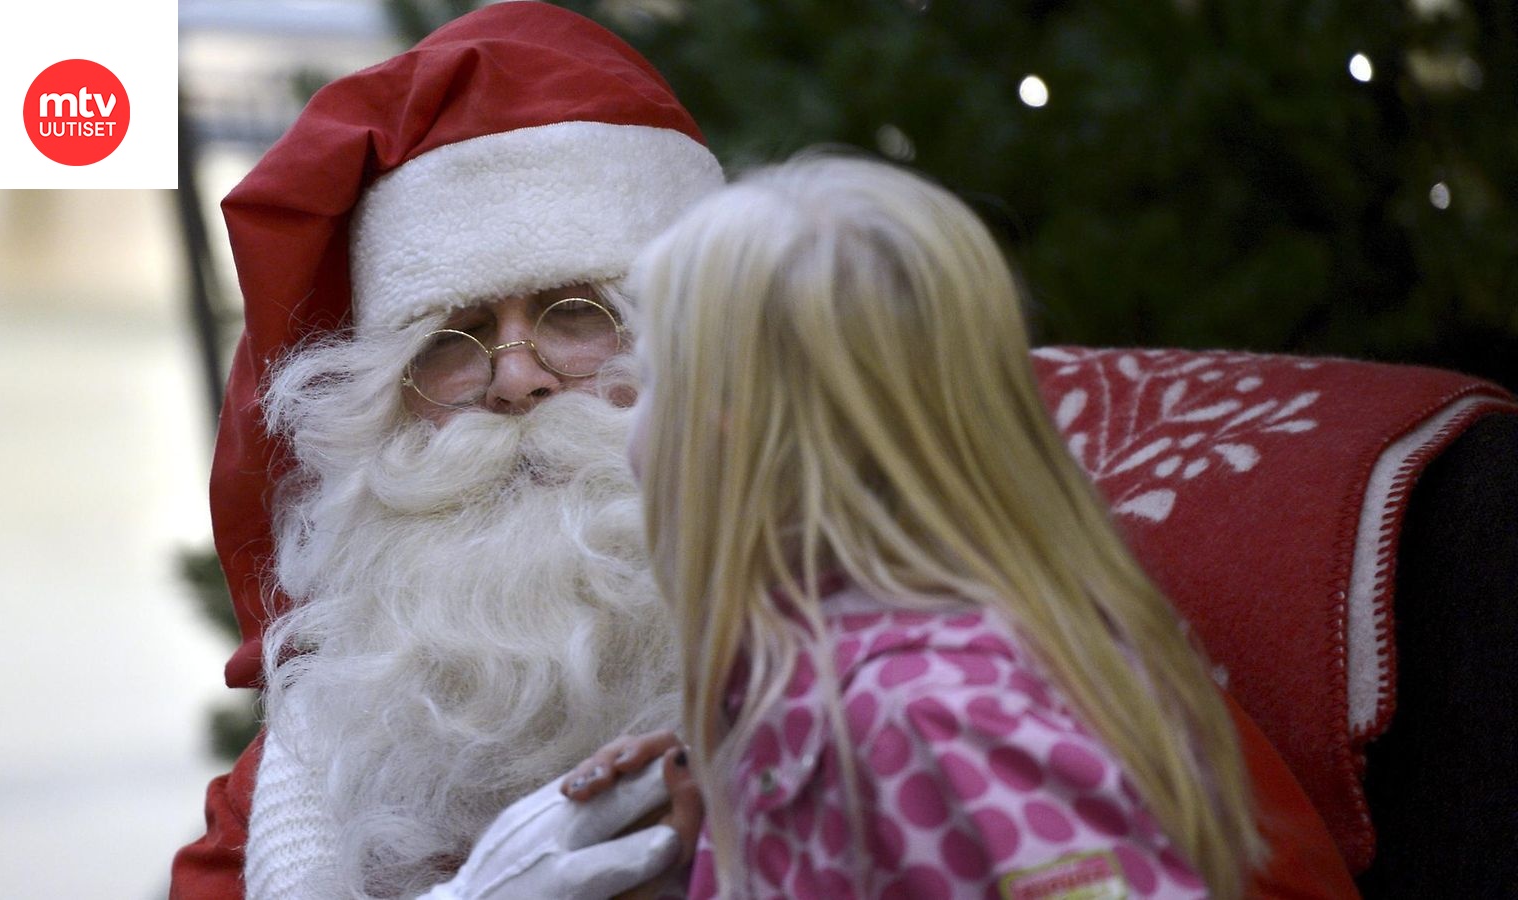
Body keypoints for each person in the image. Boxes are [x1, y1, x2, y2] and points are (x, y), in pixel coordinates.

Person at [549, 154, 1359, 898]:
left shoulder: (932, 722)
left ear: (729, 426)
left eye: (650, 380)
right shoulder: (820, 689)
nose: (630, 431)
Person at [169, 4, 723, 898]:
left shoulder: (875, 657)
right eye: (454, 337)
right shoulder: (318, 761)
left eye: (576, 313)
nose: (514, 379)